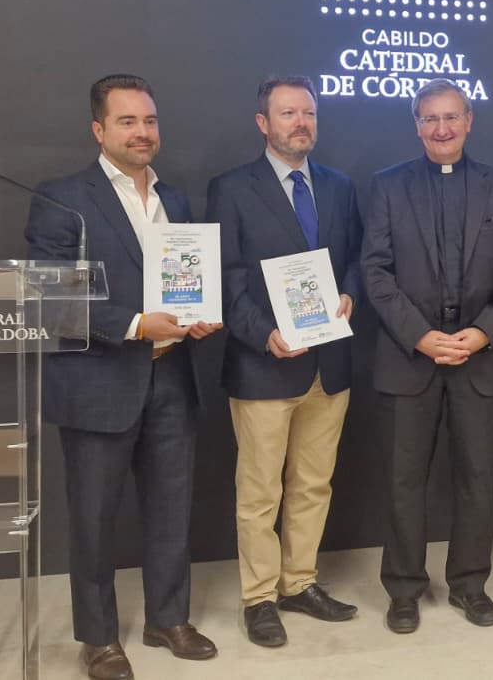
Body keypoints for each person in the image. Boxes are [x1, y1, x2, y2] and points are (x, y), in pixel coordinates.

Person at [24, 73, 221, 680]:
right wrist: (138, 322)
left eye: (151, 121)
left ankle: (169, 618)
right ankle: (100, 638)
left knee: (170, 509)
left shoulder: (176, 200)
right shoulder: (62, 198)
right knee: (93, 517)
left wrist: (194, 319)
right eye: (129, 122)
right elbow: (49, 297)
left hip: (170, 376)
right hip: (98, 380)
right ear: (99, 129)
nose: (143, 133)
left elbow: (184, 284)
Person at [361, 79, 493, 633]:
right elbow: (376, 271)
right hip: (409, 359)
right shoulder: (388, 186)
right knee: (404, 481)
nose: (441, 128)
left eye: (451, 117)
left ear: (469, 120)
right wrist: (419, 335)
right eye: (430, 119)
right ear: (416, 124)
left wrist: (482, 333)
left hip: (480, 359)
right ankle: (404, 588)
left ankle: (470, 583)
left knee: (476, 479)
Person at [205, 76, 363, 648]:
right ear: (263, 123)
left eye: (309, 113)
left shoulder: (340, 187)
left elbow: (357, 260)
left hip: (330, 364)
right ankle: (259, 597)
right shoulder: (232, 188)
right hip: (264, 364)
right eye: (288, 113)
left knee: (313, 485)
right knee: (260, 491)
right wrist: (264, 335)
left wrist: (350, 294)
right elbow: (225, 279)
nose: (302, 122)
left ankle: (300, 583)